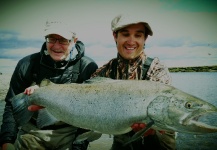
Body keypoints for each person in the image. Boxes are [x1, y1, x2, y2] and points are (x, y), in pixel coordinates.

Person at [0, 20, 98, 150]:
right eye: (51, 39)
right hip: (32, 132)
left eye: (63, 40)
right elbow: (12, 105)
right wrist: (6, 140)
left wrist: (78, 146)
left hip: (70, 132)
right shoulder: (27, 64)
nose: (56, 46)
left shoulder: (87, 67)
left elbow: (90, 113)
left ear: (74, 41)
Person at [91, 14, 176, 150]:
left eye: (138, 35)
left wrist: (151, 131)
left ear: (145, 39)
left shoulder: (157, 70)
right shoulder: (104, 72)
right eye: (125, 34)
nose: (131, 41)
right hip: (121, 141)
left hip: (158, 140)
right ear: (115, 36)